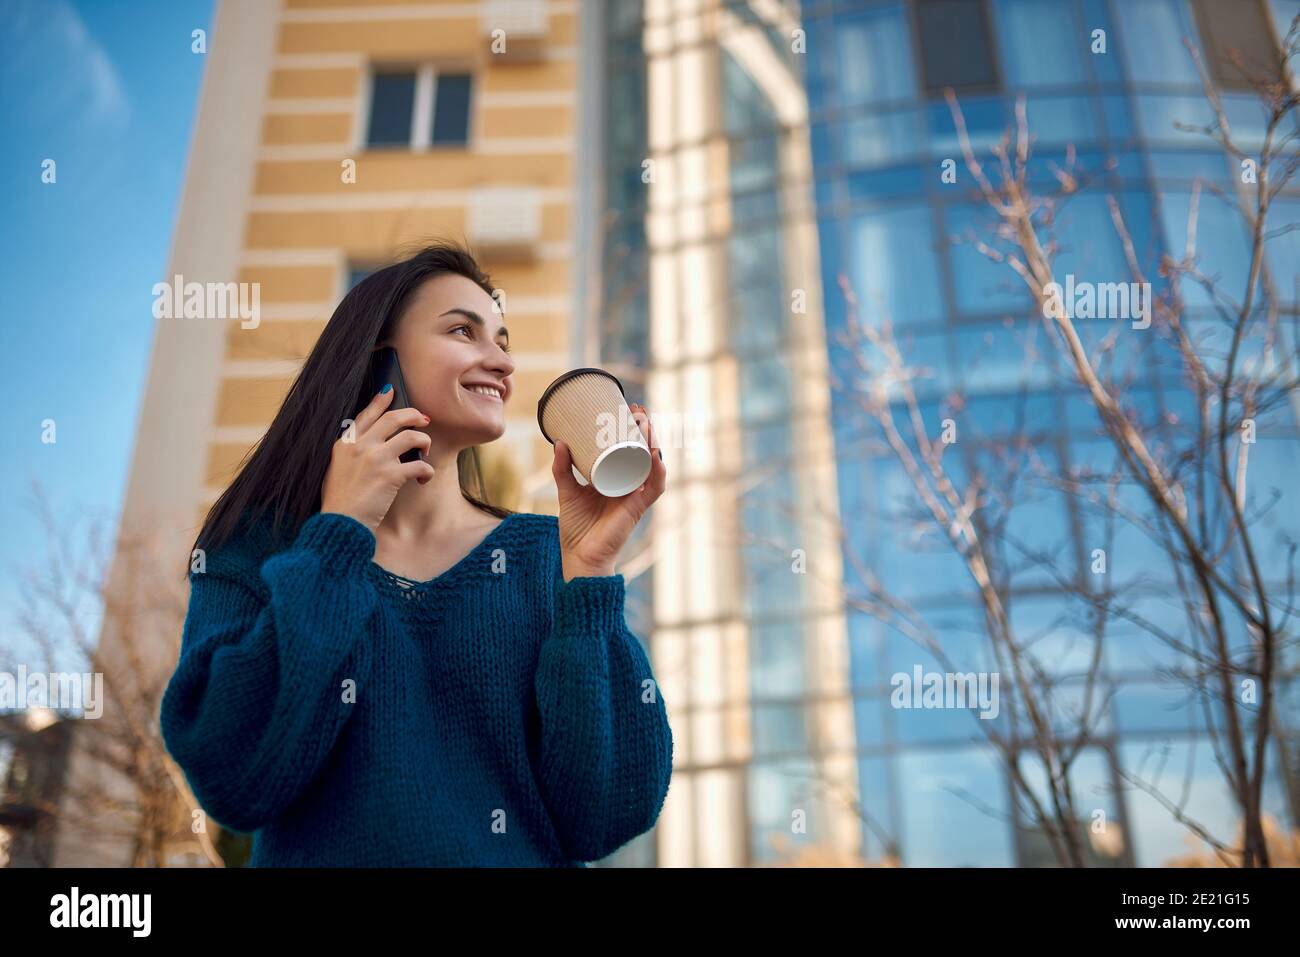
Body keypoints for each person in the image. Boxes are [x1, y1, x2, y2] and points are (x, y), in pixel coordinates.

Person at [159, 240, 673, 866]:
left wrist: (589, 578)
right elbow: (235, 779)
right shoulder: (259, 549)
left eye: (503, 341)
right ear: (381, 358)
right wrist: (338, 536)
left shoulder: (549, 558)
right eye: (464, 331)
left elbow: (606, 815)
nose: (501, 363)